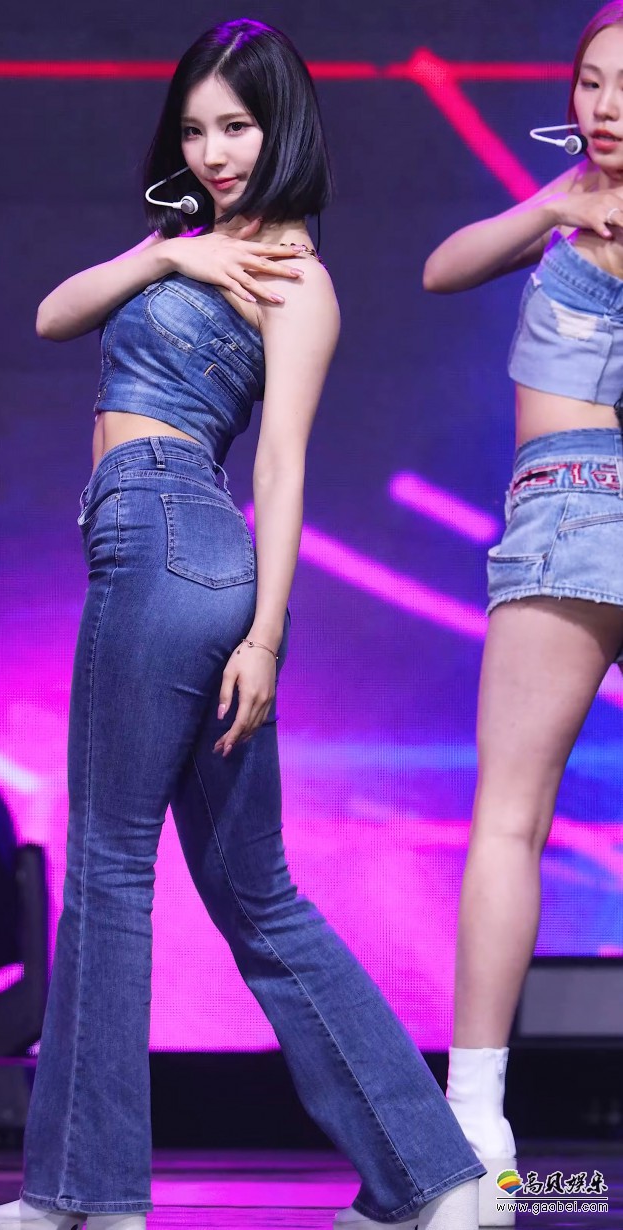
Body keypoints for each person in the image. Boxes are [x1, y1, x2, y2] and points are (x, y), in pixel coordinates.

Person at [0, 19, 482, 1230]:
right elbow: (52, 314)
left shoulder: (296, 279)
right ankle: (434, 1178)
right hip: (183, 557)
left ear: (283, 126)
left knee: (108, 871)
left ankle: (83, 1193)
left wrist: (268, 640)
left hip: (169, 543)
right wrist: (172, 256)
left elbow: (283, 466)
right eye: (197, 129)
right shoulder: (193, 247)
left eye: (238, 127)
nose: (213, 151)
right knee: (257, 895)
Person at [423, 3, 623, 1225]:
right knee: (508, 820)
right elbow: (442, 266)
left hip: (571, 504)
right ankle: (473, 1129)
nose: (606, 105)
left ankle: (474, 1131)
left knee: (508, 820)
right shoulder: (568, 200)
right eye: (592, 81)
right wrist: (553, 204)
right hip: (563, 506)